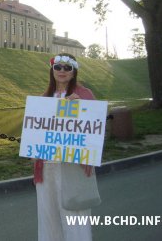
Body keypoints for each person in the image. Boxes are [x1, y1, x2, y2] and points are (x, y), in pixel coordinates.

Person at [34, 53, 96, 241]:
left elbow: (93, 131)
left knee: (74, 215)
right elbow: (37, 131)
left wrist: (79, 109)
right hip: (47, 165)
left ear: (74, 71)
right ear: (52, 70)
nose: (62, 71)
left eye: (67, 68)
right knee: (48, 214)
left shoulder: (84, 95)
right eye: (58, 67)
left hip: (71, 165)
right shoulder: (44, 98)